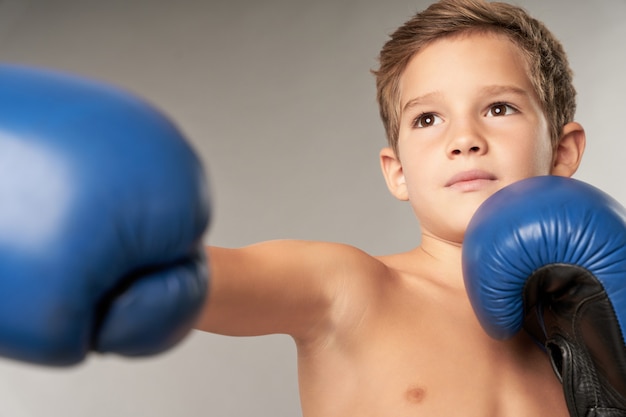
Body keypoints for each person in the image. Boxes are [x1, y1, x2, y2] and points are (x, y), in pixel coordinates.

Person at [195, 0, 587, 416]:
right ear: (397, 172)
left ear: (562, 152)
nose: (465, 139)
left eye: (499, 108)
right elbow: (189, 282)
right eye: (428, 119)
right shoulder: (349, 290)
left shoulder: (595, 325)